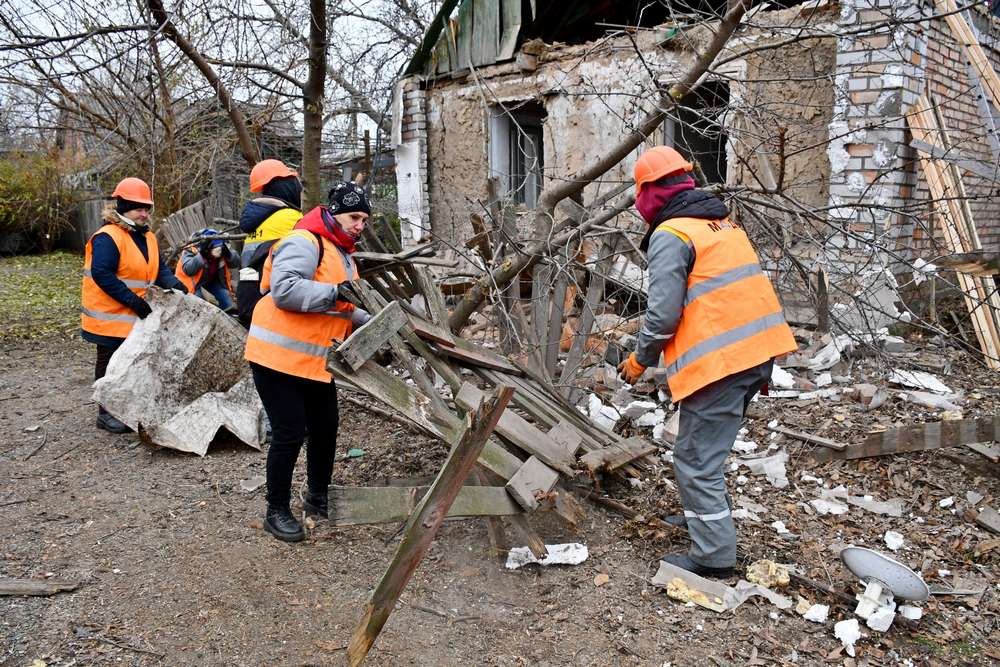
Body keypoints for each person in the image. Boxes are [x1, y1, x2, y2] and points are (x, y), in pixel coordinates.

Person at [619, 146, 797, 577]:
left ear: (647, 192)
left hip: (723, 364)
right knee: (706, 453)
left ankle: (713, 556)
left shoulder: (673, 234)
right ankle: (705, 520)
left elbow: (662, 314)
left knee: (695, 461)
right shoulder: (722, 223)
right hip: (754, 355)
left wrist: (640, 361)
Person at [244, 181, 372, 542]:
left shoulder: (342, 253)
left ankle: (317, 497)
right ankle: (277, 510)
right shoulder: (304, 241)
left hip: (314, 360)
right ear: (333, 212)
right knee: (289, 431)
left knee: (325, 426)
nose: (359, 225)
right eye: (353, 216)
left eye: (364, 218)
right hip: (275, 356)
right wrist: (336, 292)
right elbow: (284, 291)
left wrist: (374, 319)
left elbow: (343, 305)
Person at [81, 177, 188, 434]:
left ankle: (126, 407)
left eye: (146, 208)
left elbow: (160, 269)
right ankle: (105, 413)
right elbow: (103, 274)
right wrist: (134, 302)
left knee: (133, 363)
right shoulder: (108, 236)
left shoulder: (147, 236)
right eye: (138, 208)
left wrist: (178, 287)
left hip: (135, 313)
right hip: (108, 316)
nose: (144, 213)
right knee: (110, 363)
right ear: (123, 207)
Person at [236, 159, 304, 327]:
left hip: (247, 300)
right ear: (289, 189)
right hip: (270, 306)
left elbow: (248, 268)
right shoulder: (291, 218)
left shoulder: (257, 221)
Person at [174, 228, 239, 313]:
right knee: (198, 306)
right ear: (208, 248)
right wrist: (201, 255)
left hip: (210, 279)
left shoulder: (222, 246)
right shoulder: (192, 248)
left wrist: (229, 254)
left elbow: (236, 263)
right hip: (191, 282)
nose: (219, 252)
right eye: (216, 249)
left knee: (226, 299)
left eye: (220, 249)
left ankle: (229, 319)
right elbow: (188, 270)